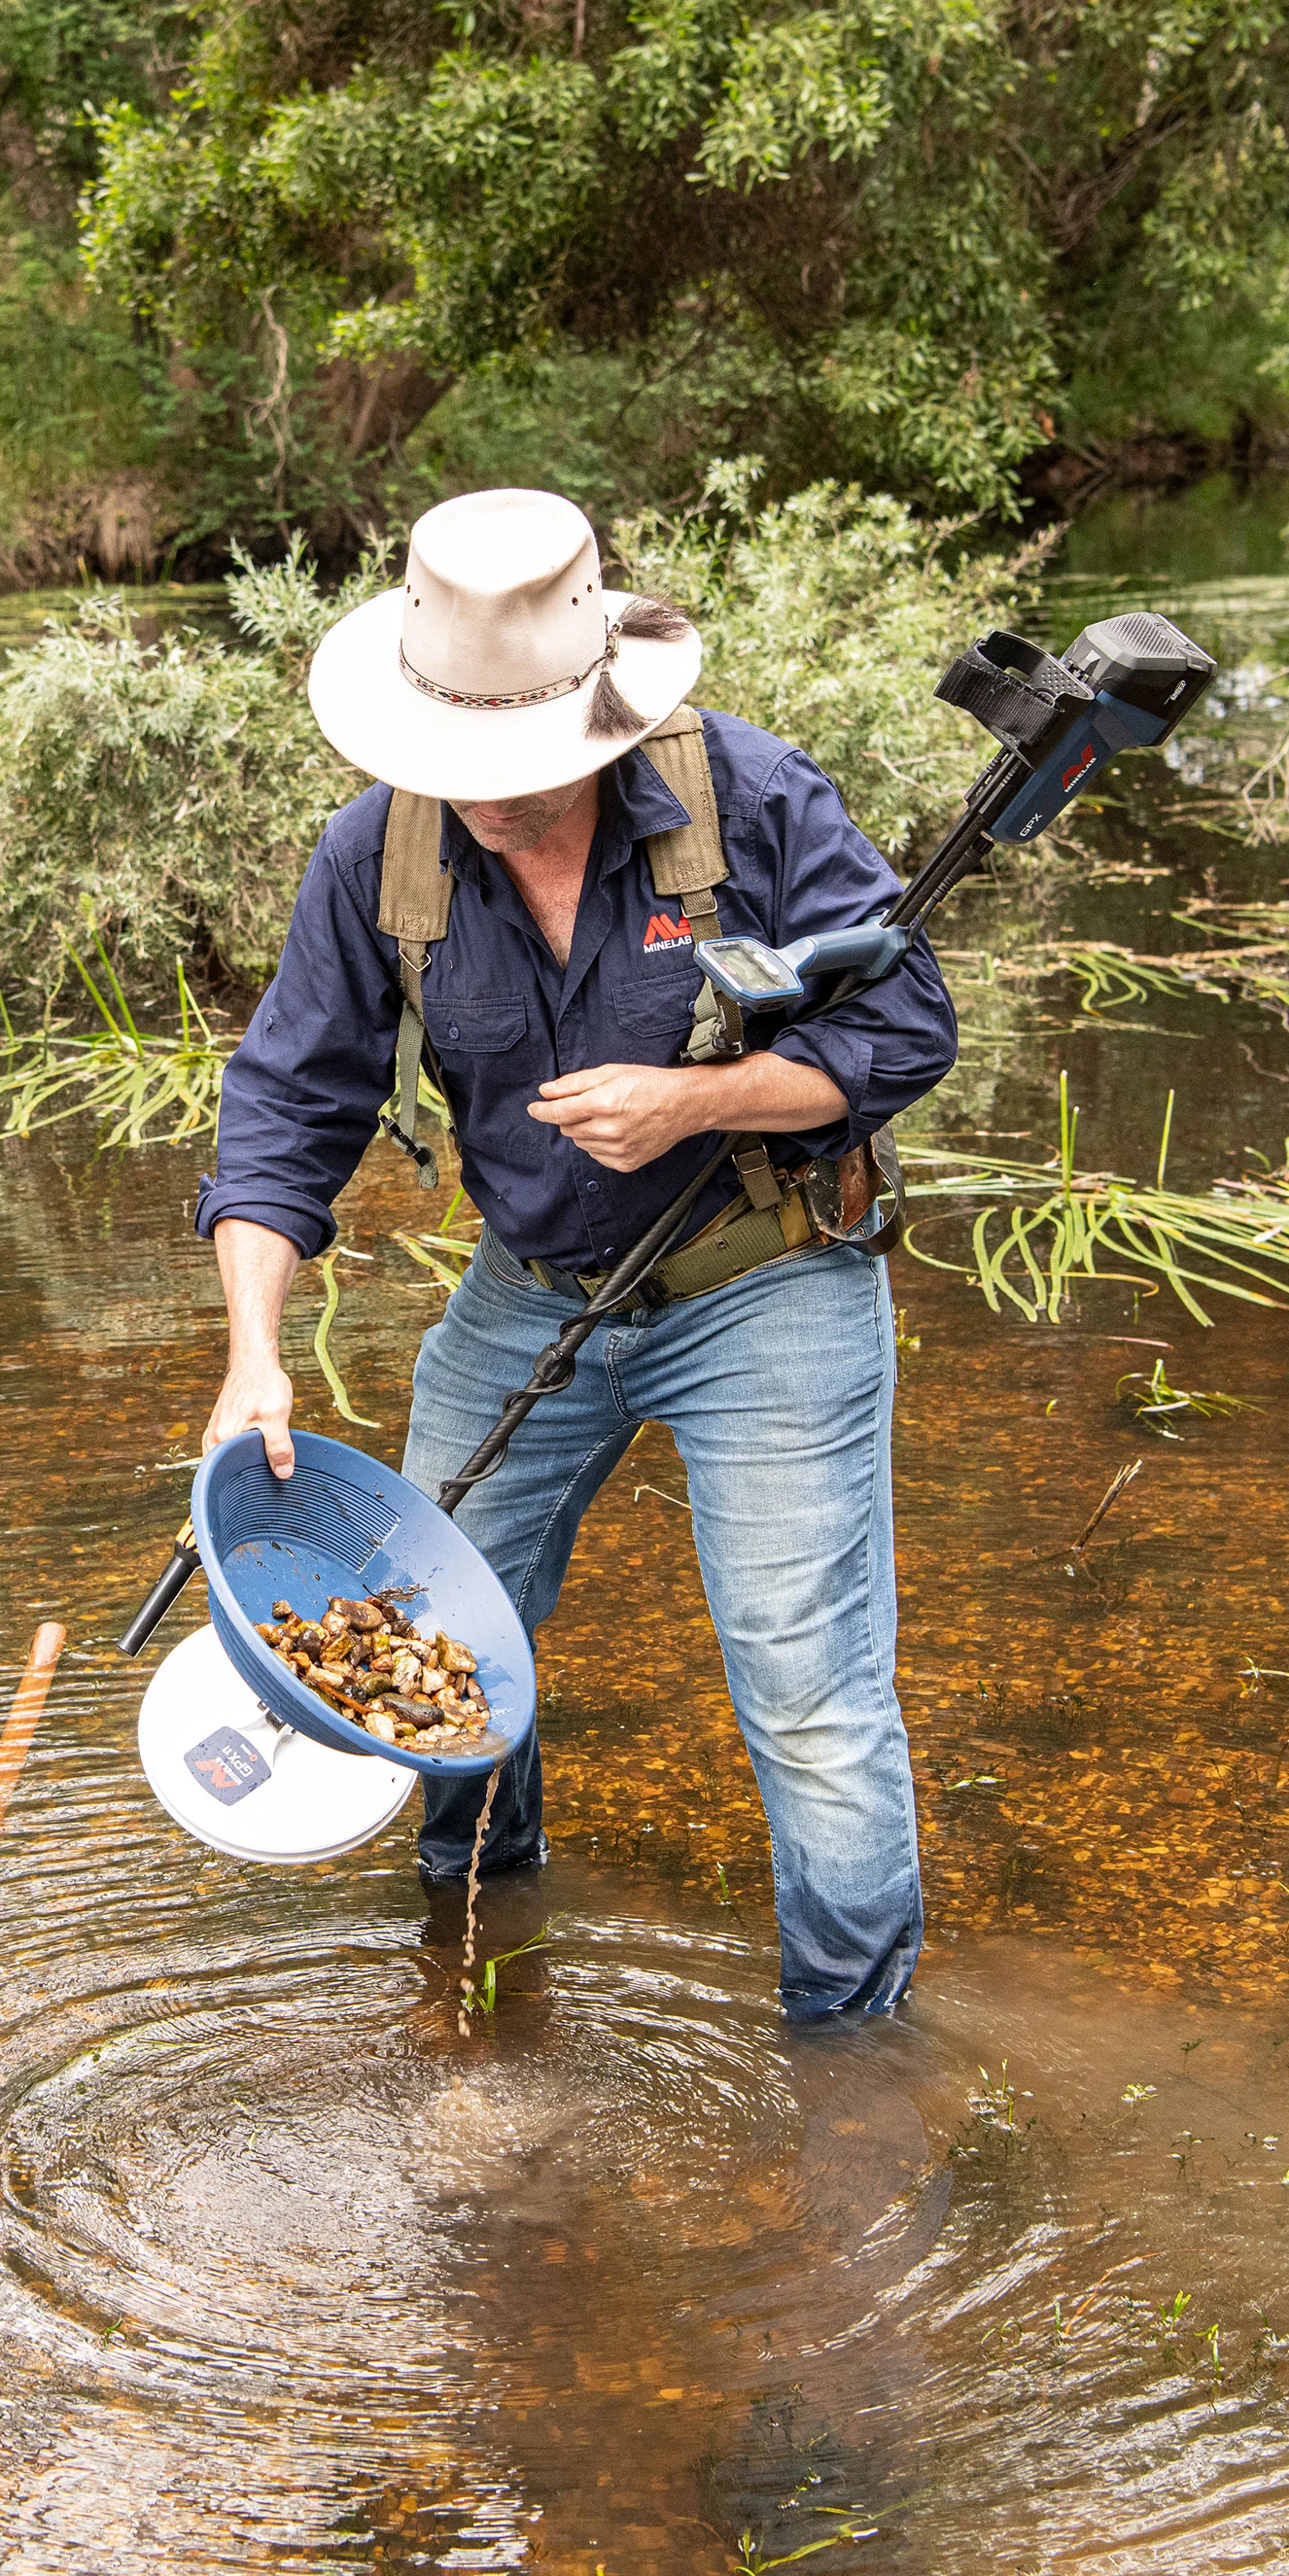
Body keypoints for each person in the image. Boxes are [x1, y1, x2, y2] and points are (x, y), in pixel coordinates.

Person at [190, 487, 958, 2019]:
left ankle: (858, 2071)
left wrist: (704, 1099)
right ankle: (480, 1950)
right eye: (448, 760)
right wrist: (254, 1356)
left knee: (807, 1695)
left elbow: (908, 1023)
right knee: (421, 1641)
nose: (482, 797)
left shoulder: (749, 798)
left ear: (602, 721)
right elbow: (288, 1104)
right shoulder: (378, 860)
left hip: (770, 1273)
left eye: (514, 765)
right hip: (528, 1289)